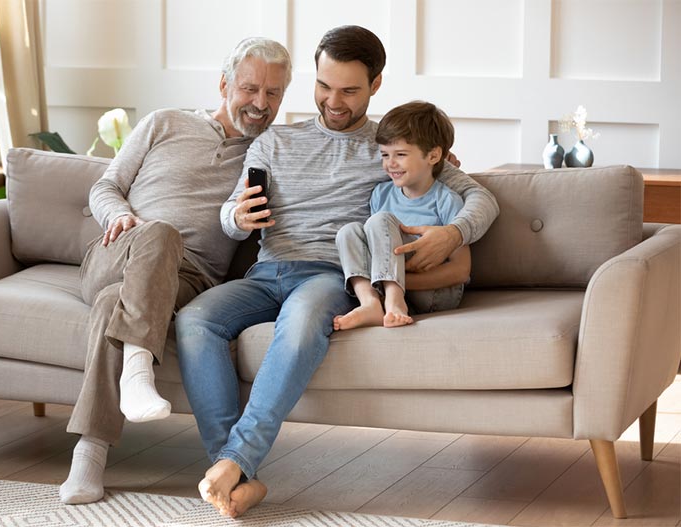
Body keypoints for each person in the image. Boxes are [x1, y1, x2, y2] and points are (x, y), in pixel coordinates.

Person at [174, 25, 500, 518]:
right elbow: (230, 214)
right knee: (194, 320)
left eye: (349, 90)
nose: (333, 101)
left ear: (376, 85)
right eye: (324, 86)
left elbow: (481, 197)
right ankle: (239, 472)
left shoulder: (393, 146)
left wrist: (453, 234)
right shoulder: (274, 142)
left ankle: (234, 460)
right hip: (268, 271)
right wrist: (235, 218)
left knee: (301, 324)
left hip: (333, 275)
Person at [58, 37, 292, 505]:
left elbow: (351, 156)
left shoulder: (274, 151)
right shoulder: (164, 122)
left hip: (188, 280)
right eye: (250, 89)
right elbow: (106, 186)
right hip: (119, 250)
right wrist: (119, 217)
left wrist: (436, 165)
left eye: (273, 94)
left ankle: (89, 456)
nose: (260, 104)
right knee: (159, 234)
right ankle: (137, 371)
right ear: (224, 83)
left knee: (112, 305)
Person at [334, 100, 471, 330]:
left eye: (400, 154)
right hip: (390, 290)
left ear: (433, 156)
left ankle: (393, 299)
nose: (390, 164)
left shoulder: (447, 200)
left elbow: (461, 271)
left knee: (380, 220)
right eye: (385, 154)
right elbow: (376, 250)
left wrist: (399, 282)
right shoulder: (381, 194)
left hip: (434, 294)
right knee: (348, 232)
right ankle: (370, 303)